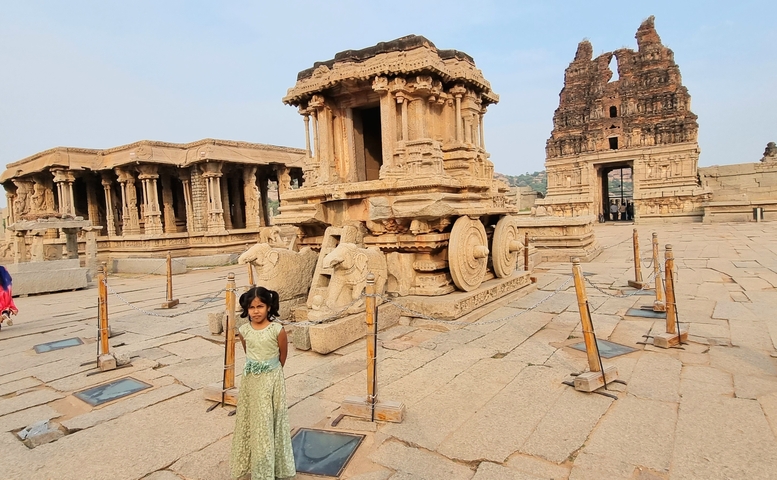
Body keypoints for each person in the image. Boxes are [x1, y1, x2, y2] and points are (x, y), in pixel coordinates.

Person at [230, 286, 296, 480]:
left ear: (269, 307)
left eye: (260, 306)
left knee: (269, 421)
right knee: (252, 420)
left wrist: (272, 373)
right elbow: (247, 351)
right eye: (252, 307)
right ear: (246, 309)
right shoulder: (244, 331)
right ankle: (253, 463)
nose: (256, 311)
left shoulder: (277, 330)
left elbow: (282, 355)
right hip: (251, 382)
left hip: (272, 381)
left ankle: (271, 468)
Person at [0, 266, 18, 330]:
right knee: (6, 306)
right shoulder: (2, 268)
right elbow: (10, 278)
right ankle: (5, 314)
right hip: (5, 290)